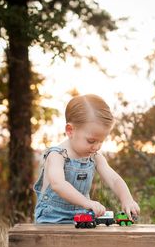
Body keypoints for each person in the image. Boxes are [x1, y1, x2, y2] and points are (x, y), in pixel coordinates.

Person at [34, 94, 140, 223]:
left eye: (101, 141)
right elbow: (58, 184)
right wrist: (87, 202)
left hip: (82, 217)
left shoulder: (95, 157)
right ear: (70, 130)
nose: (96, 147)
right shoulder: (57, 156)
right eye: (91, 141)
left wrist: (127, 199)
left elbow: (114, 179)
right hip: (51, 218)